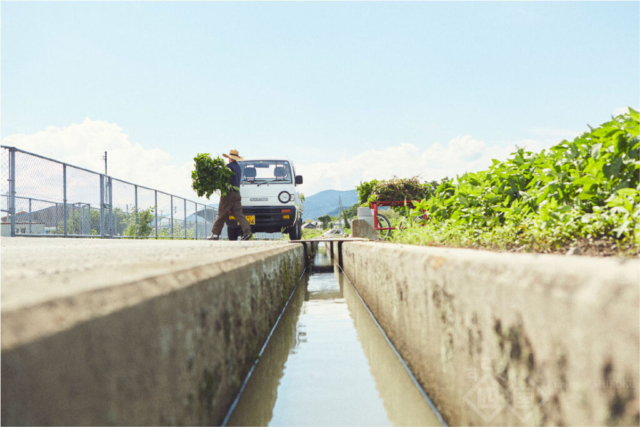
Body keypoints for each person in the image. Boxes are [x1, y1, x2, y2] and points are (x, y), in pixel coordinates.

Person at [208, 149, 252, 240]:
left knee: (221, 213)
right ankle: (247, 232)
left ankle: (215, 234)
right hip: (236, 193)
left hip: (228, 193)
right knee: (239, 214)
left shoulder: (228, 167)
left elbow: (224, 179)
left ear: (229, 158)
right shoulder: (238, 167)